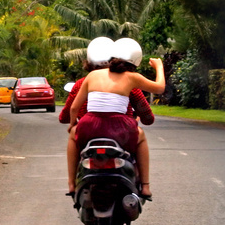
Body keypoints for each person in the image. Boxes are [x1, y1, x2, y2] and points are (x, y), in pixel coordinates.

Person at [68, 53, 165, 199]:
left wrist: (72, 125)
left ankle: (71, 183)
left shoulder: (93, 75)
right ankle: (145, 186)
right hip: (120, 129)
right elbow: (159, 88)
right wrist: (159, 67)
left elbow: (74, 108)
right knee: (141, 136)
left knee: (72, 135)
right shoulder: (132, 77)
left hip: (89, 125)